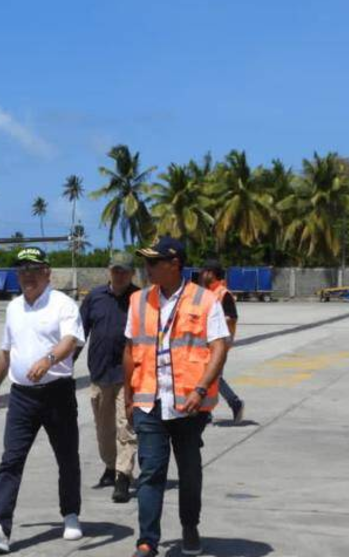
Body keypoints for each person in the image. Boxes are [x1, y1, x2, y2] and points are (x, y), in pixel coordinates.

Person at [0, 247, 86, 553]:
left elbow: (70, 341)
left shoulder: (62, 304)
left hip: (57, 393)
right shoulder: (14, 308)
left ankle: (70, 513)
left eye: (33, 270)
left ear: (47, 272)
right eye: (22, 271)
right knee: (11, 459)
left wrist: (48, 360)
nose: (27, 276)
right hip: (21, 396)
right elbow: (6, 352)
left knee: (66, 456)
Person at [124, 237, 230, 557]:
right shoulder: (138, 300)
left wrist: (201, 389)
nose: (147, 268)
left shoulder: (205, 299)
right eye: (146, 262)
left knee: (189, 471)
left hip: (189, 404)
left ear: (174, 264)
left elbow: (219, 347)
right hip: (149, 402)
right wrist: (129, 396)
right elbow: (129, 349)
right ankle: (147, 541)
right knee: (151, 472)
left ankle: (189, 525)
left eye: (153, 262)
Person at [79, 251, 139, 503]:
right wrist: (65, 365)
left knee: (126, 427)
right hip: (100, 374)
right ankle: (111, 466)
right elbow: (79, 333)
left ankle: (123, 477)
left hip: (128, 376)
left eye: (124, 271)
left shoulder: (139, 299)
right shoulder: (94, 297)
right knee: (104, 430)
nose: (119, 275)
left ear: (132, 273)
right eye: (116, 270)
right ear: (109, 271)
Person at [199, 259, 246, 423]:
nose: (202, 274)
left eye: (205, 271)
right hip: (207, 341)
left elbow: (232, 317)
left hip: (220, 342)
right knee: (208, 375)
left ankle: (235, 403)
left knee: (214, 376)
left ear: (211, 274)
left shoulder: (223, 293)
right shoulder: (207, 292)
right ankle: (206, 411)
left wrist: (213, 321)